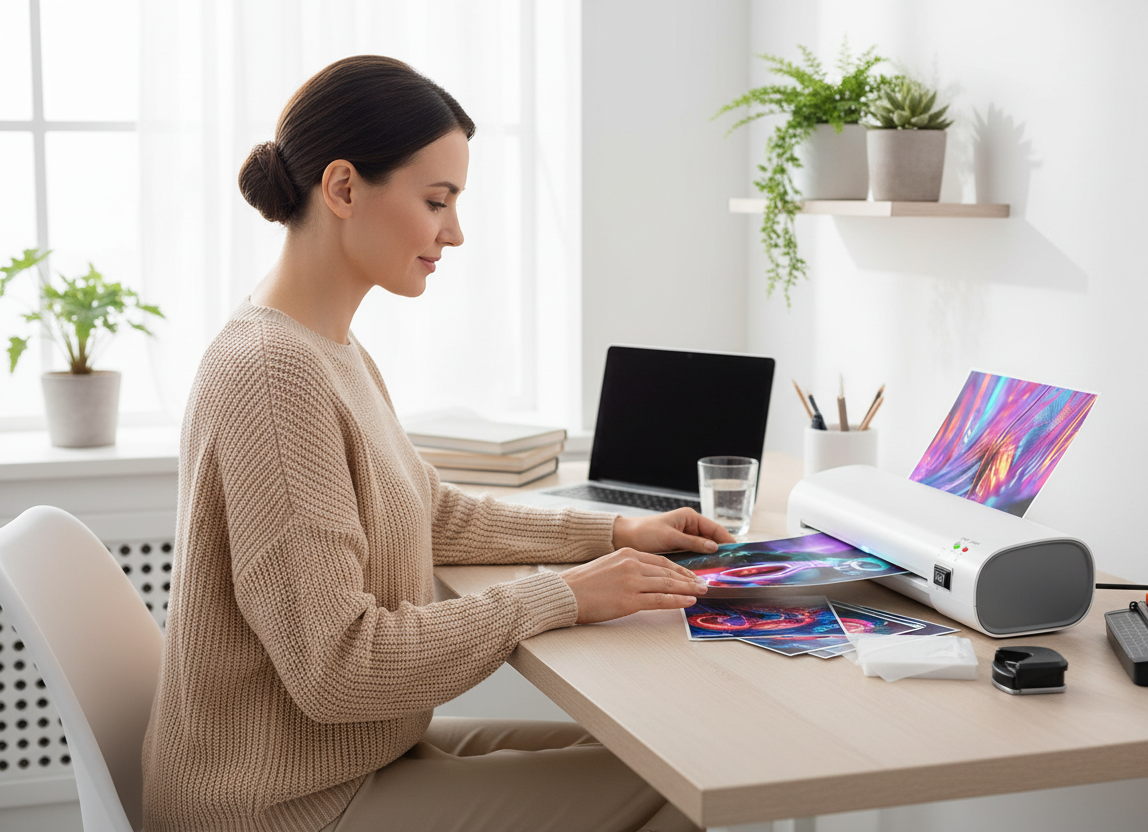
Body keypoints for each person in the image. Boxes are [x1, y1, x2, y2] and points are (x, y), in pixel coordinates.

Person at [141, 55, 732, 832]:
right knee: (685, 787)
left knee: (665, 758)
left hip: (348, 755)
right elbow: (337, 668)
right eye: (436, 200)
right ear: (344, 188)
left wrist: (616, 531)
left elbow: (429, 511)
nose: (454, 232)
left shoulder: (327, 348)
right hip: (284, 802)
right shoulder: (272, 374)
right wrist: (563, 596)